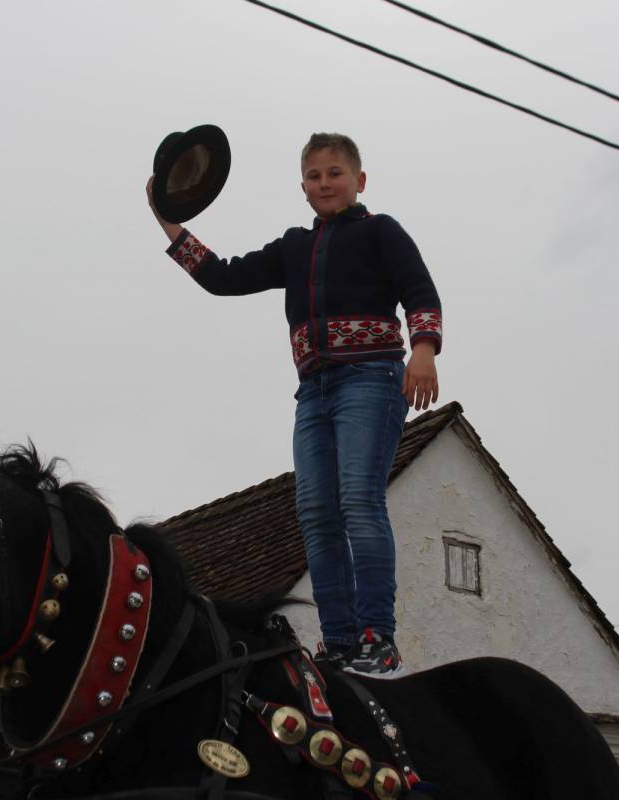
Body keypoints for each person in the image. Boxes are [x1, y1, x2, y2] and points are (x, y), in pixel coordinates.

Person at [146, 132, 442, 676]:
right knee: (315, 513)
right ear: (302, 187)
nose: (324, 183)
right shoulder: (293, 247)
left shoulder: (381, 231)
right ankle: (338, 641)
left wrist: (423, 351)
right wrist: (170, 224)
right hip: (315, 391)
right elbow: (223, 277)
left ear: (359, 180)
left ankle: (378, 635)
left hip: (372, 378)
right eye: (314, 176)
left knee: (358, 499)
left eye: (335, 173)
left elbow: (419, 291)